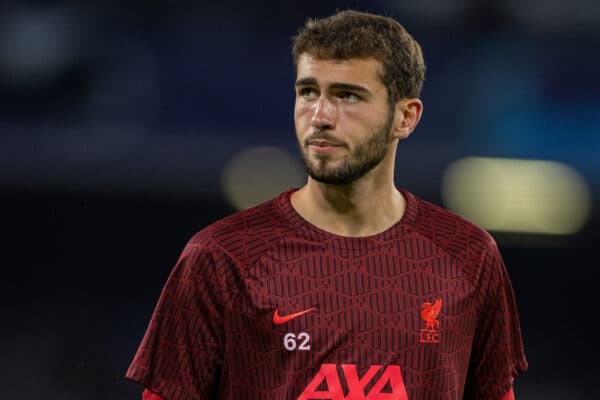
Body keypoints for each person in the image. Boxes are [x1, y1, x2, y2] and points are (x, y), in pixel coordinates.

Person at [126, 10, 527, 400]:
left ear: (405, 117)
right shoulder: (220, 258)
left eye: (347, 95)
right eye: (308, 92)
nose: (319, 116)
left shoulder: (468, 255)